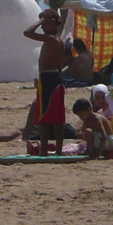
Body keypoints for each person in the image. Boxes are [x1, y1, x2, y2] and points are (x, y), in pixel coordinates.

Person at [22, 10, 70, 155]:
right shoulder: (58, 40)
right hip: (53, 77)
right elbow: (60, 65)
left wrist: (42, 20)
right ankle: (58, 150)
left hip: (49, 78)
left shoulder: (52, 39)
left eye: (45, 23)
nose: (42, 27)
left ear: (52, 23)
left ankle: (44, 150)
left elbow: (27, 32)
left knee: (45, 117)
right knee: (56, 117)